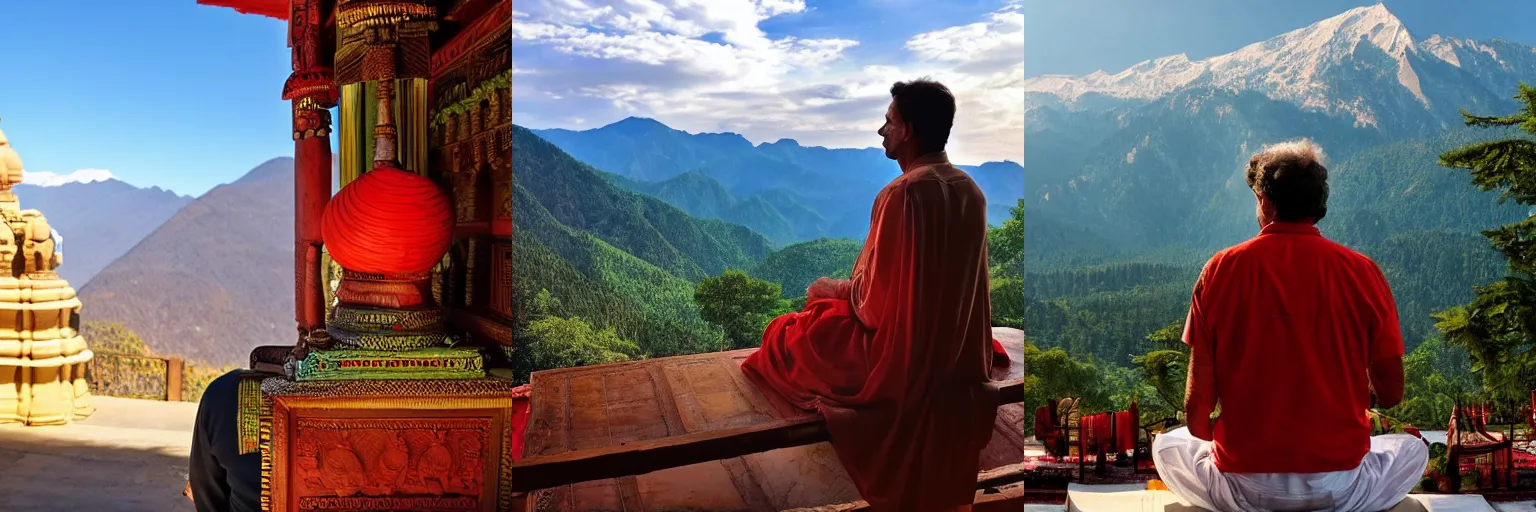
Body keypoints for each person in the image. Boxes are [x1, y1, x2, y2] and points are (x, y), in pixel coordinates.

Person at [741, 78, 1006, 511]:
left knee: (786, 335)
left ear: (909, 130)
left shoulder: (903, 195)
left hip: (899, 360)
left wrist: (827, 290)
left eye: (889, 121)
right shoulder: (969, 191)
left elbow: (874, 310)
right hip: (959, 353)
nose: (881, 131)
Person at [1152, 139, 1428, 512]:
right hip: (1340, 485)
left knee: (1169, 445)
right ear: (1317, 205)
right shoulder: (1363, 271)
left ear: (1265, 201)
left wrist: (1225, 439)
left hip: (1243, 485)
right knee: (1410, 449)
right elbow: (1392, 393)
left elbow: (1197, 411)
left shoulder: (1220, 270)